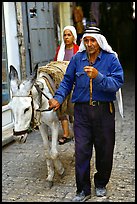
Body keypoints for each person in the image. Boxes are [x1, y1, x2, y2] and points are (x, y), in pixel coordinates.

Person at [49, 26, 124, 201]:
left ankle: (100, 183)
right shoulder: (77, 59)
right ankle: (82, 190)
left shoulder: (111, 59)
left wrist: (98, 76)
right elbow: (67, 81)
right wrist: (58, 98)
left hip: (104, 111)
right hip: (81, 112)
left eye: (92, 41)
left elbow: (117, 83)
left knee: (105, 150)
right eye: (86, 41)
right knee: (81, 150)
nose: (89, 44)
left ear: (99, 42)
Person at [54, 25, 79, 145]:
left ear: (73, 36)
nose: (66, 37)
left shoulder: (78, 50)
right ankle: (66, 134)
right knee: (62, 107)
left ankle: (78, 132)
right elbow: (56, 64)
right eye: (64, 35)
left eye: (69, 35)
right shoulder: (60, 50)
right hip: (62, 81)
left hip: (74, 82)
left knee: (74, 108)